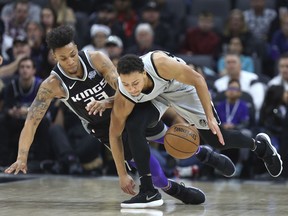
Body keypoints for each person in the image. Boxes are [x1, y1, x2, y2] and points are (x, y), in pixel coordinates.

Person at [4, 25, 233, 207]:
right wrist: (22, 156)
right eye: (64, 58)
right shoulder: (51, 85)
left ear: (77, 48)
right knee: (155, 175)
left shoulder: (96, 59)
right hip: (103, 129)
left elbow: (125, 90)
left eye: (73, 54)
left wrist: (107, 102)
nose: (71, 61)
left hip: (127, 109)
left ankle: (203, 153)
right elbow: (31, 122)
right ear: (54, 57)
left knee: (169, 136)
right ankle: (173, 189)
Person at [109, 51, 283, 207]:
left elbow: (198, 79)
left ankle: (260, 147)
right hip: (157, 97)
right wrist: (122, 174)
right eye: (127, 84)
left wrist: (209, 116)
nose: (132, 89)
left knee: (218, 140)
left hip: (184, 89)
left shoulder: (160, 64)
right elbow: (114, 134)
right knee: (133, 126)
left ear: (144, 73)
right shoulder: (125, 91)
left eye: (135, 83)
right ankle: (148, 191)